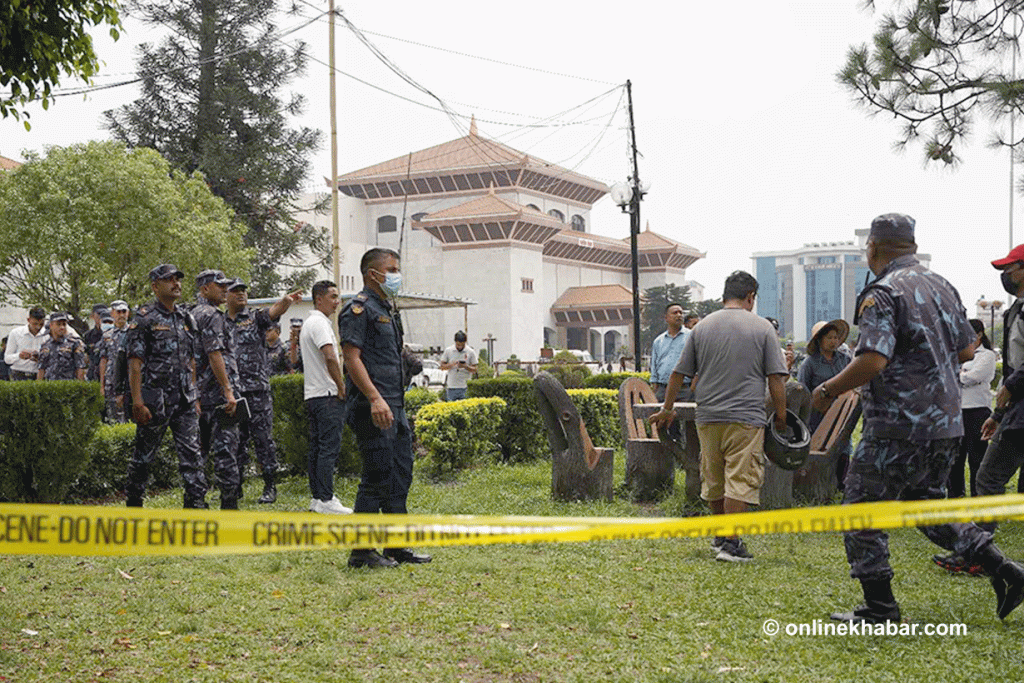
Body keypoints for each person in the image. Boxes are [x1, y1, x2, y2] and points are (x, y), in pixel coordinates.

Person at [810, 213, 1024, 624]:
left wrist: (827, 389)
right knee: (925, 506)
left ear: (872, 248)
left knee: (859, 509)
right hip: (946, 421)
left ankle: (880, 608)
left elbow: (872, 358)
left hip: (897, 423)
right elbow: (965, 350)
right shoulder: (942, 285)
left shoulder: (882, 292)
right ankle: (1007, 571)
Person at [650, 271, 788, 563]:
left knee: (713, 477)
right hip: (746, 416)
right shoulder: (763, 328)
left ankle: (719, 537)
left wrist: (667, 407)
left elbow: (678, 373)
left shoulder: (702, 328)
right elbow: (776, 377)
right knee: (740, 478)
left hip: (707, 415)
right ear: (751, 296)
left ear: (725, 295)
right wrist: (781, 415)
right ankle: (731, 544)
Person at [340, 247, 431, 568]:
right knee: (376, 475)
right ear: (372, 274)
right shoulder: (357, 310)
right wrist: (375, 398)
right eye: (391, 270)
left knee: (399, 475)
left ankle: (396, 546)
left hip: (396, 404)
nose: (395, 275)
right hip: (372, 406)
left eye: (396, 269)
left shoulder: (388, 310)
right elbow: (351, 358)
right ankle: (361, 552)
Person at [124, 264, 207, 509]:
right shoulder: (144, 318)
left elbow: (191, 360)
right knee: (144, 458)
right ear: (155, 286)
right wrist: (137, 401)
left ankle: (196, 507)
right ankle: (134, 504)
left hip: (184, 400)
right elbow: (135, 364)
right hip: (155, 401)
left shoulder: (185, 317)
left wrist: (195, 395)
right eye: (169, 280)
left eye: (178, 279)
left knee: (192, 455)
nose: (176, 284)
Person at [225, 278, 302, 504]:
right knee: (235, 441)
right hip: (233, 393)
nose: (241, 294)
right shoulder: (219, 321)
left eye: (243, 290)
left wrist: (286, 301)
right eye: (235, 291)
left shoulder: (254, 317)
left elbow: (274, 311)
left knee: (263, 440)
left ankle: (270, 486)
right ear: (226, 295)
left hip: (257, 391)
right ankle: (235, 485)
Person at [975, 244, 1024, 507]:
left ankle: (979, 548)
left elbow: (1015, 375)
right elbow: (1013, 367)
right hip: (1016, 411)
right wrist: (998, 414)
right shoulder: (1015, 311)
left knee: (988, 479)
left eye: (1009, 268)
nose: (1004, 274)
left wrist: (1013, 385)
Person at [301, 280, 353, 516]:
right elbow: (331, 357)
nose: (337, 302)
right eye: (332, 297)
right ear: (319, 299)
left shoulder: (309, 323)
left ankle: (317, 497)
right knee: (328, 449)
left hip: (313, 394)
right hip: (327, 393)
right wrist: (341, 386)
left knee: (317, 447)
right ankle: (326, 498)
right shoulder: (320, 324)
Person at [192, 269, 242, 510]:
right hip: (217, 397)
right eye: (219, 285)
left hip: (197, 396)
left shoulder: (190, 314)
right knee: (225, 453)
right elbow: (215, 355)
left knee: (197, 454)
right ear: (204, 289)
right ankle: (229, 507)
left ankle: (196, 503)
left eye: (226, 285)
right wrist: (228, 390)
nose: (225, 289)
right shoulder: (212, 315)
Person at [797, 319, 853, 488]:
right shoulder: (809, 363)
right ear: (819, 340)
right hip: (818, 415)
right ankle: (819, 484)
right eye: (829, 338)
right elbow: (803, 391)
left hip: (842, 411)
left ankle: (840, 484)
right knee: (820, 447)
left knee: (844, 446)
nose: (833, 341)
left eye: (836, 338)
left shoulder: (845, 360)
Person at [649, 303, 690, 402]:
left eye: (681, 312)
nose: (679, 315)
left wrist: (692, 388)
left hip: (684, 389)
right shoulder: (658, 341)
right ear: (666, 318)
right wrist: (654, 388)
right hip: (663, 389)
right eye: (675, 313)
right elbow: (654, 366)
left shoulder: (691, 336)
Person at [98, 300, 131, 423]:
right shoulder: (107, 335)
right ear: (112, 313)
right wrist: (101, 385)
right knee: (112, 418)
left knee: (129, 418)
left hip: (129, 381)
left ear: (128, 313)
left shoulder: (133, 333)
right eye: (118, 312)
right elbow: (103, 360)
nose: (121, 315)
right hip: (111, 382)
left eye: (124, 311)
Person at [36, 312, 88, 380]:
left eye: (64, 324)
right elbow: (41, 369)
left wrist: (80, 388)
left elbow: (80, 368)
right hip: (49, 386)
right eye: (58, 324)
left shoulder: (74, 343)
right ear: (51, 325)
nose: (62, 327)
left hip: (68, 385)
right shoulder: (45, 345)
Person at [4, 307, 47, 381]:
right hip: (18, 373)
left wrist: (40, 359)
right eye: (35, 324)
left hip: (38, 375)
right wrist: (19, 356)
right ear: (28, 320)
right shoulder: (15, 333)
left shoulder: (47, 335)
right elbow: (7, 359)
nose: (38, 327)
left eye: (41, 324)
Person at [439, 330, 477, 401]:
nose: (460, 347)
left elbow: (475, 369)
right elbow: (441, 367)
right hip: (451, 386)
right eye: (458, 345)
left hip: (465, 386)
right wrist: (451, 364)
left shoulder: (470, 352)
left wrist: (465, 366)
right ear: (455, 342)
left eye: (462, 345)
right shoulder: (448, 350)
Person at [83, 303, 108, 382]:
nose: (101, 317)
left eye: (103, 314)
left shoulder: (113, 333)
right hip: (93, 375)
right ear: (92, 316)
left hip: (109, 375)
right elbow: (85, 357)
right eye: (99, 314)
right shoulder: (88, 336)